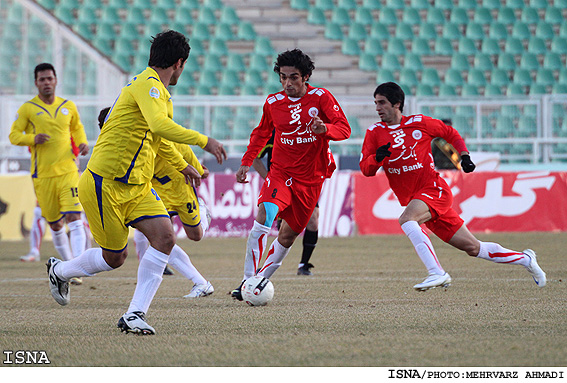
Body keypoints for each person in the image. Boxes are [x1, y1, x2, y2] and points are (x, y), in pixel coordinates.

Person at [44, 30, 227, 335]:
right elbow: (160, 126)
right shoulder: (148, 86)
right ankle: (59, 270)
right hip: (105, 184)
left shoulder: (155, 91)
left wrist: (183, 165)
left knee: (165, 239)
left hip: (138, 187)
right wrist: (203, 141)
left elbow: (158, 137)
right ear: (179, 63)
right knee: (114, 258)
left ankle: (134, 315)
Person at [359, 82, 547, 291]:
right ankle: (526, 259)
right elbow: (366, 169)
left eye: (382, 103)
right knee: (474, 248)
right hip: (419, 201)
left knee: (407, 219)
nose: (377, 108)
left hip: (433, 190)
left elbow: (450, 134)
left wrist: (464, 156)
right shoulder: (374, 133)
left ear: (397, 104)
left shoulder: (419, 122)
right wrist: (377, 158)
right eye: (375, 103)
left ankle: (437, 272)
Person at [231, 49, 351, 300]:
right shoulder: (273, 103)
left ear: (306, 77)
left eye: (293, 77)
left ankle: (259, 280)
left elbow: (344, 129)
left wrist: (325, 128)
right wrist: (246, 161)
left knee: (288, 234)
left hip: (311, 179)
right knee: (265, 212)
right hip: (281, 172)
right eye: (283, 77)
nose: (287, 83)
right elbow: (261, 134)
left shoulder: (322, 98)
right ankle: (246, 281)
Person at [98, 106, 214, 297]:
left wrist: (197, 168)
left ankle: (202, 213)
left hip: (179, 185)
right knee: (158, 236)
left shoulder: (147, 131)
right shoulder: (114, 145)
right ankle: (199, 282)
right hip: (154, 189)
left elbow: (178, 146)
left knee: (195, 235)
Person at [9, 63, 89, 285]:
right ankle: (69, 263)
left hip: (68, 171)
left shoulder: (68, 106)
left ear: (55, 80)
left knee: (75, 217)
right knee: (55, 224)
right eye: (42, 79)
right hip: (43, 175)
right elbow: (14, 135)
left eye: (49, 78)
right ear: (36, 83)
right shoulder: (27, 109)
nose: (46, 83)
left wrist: (82, 142)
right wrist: (31, 138)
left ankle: (77, 267)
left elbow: (77, 128)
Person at [252, 130, 319, 276]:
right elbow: (255, 158)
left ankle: (304, 265)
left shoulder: (305, 130)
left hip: (305, 183)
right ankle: (261, 269)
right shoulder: (272, 132)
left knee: (313, 220)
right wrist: (270, 179)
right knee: (283, 230)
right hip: (282, 185)